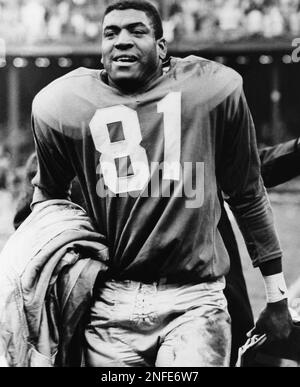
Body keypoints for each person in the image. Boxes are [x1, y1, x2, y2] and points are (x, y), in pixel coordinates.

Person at [29, 0, 292, 367]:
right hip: (111, 297)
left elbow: (248, 193)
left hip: (193, 296)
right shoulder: (63, 104)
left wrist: (276, 295)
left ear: (162, 48)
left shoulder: (209, 89)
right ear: (101, 52)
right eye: (111, 33)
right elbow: (47, 200)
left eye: (136, 31)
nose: (121, 40)